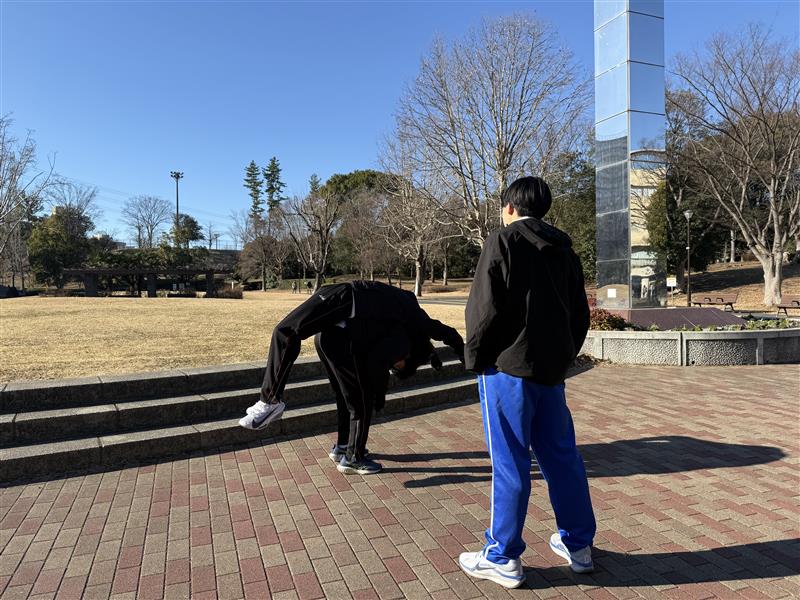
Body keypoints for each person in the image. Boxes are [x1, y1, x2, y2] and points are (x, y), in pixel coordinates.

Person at [459, 176, 595, 589]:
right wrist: (564, 357)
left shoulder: (502, 241)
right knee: (562, 458)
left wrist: (475, 358)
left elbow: (484, 308)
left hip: (507, 369)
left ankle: (502, 555)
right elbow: (580, 313)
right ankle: (579, 545)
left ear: (510, 206)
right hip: (550, 372)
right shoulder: (565, 251)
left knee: (510, 461)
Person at [239, 280, 465, 475]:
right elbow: (442, 332)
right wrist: (465, 354)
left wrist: (441, 355)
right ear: (409, 355)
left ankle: (343, 447)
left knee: (345, 396)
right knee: (287, 332)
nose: (394, 366)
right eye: (398, 367)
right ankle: (272, 402)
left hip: (333, 330)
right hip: (345, 298)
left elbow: (431, 340)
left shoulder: (405, 320)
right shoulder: (411, 322)